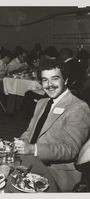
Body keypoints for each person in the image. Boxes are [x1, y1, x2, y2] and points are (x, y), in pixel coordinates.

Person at [14, 62, 90, 192]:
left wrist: (33, 149)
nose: (49, 85)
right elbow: (30, 131)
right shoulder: (42, 102)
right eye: (45, 80)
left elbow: (71, 149)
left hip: (56, 173)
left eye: (55, 78)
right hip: (30, 162)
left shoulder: (78, 107)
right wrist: (22, 142)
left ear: (65, 80)